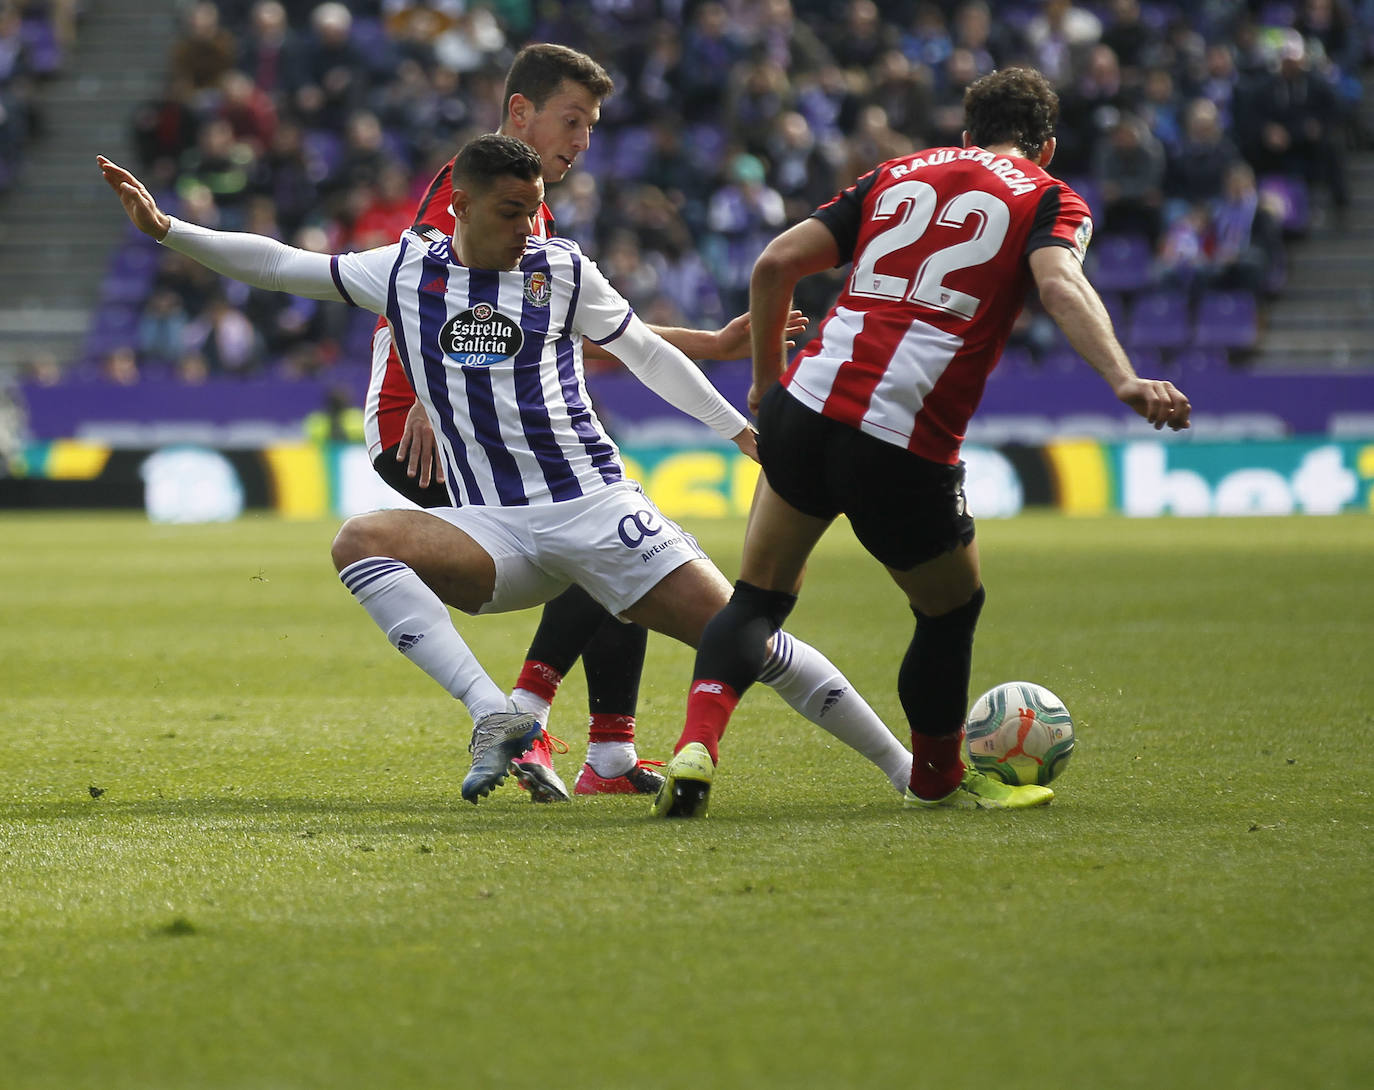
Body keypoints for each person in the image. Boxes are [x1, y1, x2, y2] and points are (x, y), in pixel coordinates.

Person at [98, 134, 915, 809]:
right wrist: (169, 230)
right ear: (460, 205)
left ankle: (907, 770)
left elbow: (645, 354)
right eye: (510, 210)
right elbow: (279, 265)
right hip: (493, 528)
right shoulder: (407, 270)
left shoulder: (561, 269)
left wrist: (740, 431)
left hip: (595, 507)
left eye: (534, 210)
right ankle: (496, 713)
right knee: (360, 540)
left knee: (751, 644)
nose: (529, 225)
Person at [654, 66, 1192, 819]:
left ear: (967, 135)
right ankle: (937, 778)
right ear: (1049, 145)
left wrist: (763, 386)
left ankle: (697, 748)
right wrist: (1125, 378)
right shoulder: (1046, 195)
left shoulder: (898, 170)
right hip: (900, 439)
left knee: (757, 598)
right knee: (948, 610)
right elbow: (1061, 284)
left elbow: (775, 262)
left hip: (803, 409)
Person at [366, 44, 803, 804]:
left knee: (611, 528)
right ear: (520, 113)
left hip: (476, 423)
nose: (581, 141)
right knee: (603, 534)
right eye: (572, 121)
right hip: (430, 429)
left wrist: (714, 344)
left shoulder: (529, 213)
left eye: (593, 128)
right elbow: (426, 305)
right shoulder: (469, 195)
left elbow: (600, 332)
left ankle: (606, 750)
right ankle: (532, 719)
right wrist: (434, 409)